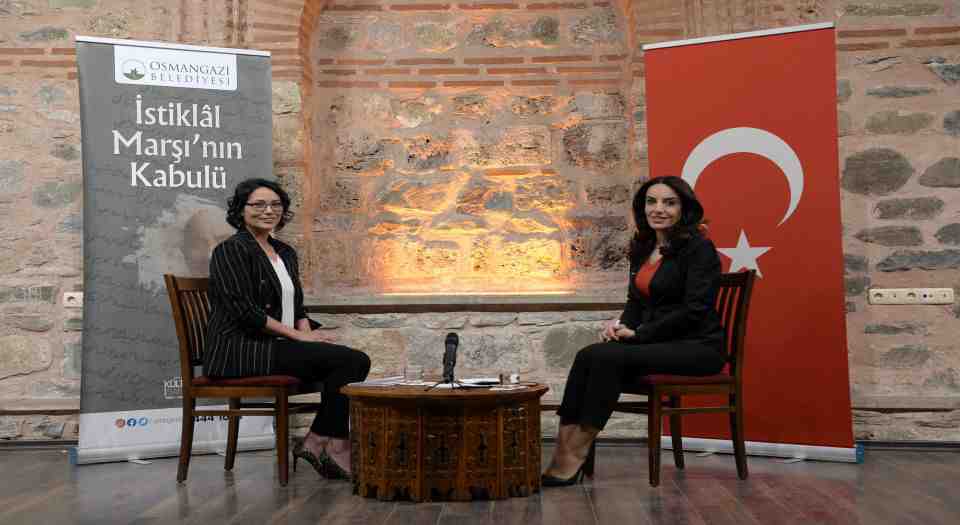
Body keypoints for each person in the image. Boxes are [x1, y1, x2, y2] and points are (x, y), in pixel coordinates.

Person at [542, 176, 726, 486]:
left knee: (606, 359)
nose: (658, 209)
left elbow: (694, 311)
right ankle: (564, 448)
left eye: (669, 203)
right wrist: (621, 327)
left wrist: (640, 335)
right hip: (659, 343)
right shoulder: (644, 247)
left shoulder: (699, 249)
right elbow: (636, 302)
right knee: (588, 355)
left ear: (684, 208)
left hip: (698, 347)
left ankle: (575, 453)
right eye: (651, 202)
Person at [205, 178, 370, 480]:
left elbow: (297, 306)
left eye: (275, 205)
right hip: (239, 349)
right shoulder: (229, 251)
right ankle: (329, 444)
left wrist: (309, 335)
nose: (268, 210)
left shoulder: (285, 252)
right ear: (241, 210)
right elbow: (244, 312)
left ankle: (322, 441)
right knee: (349, 361)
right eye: (258, 204)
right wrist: (301, 338)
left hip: (275, 345)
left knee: (353, 360)